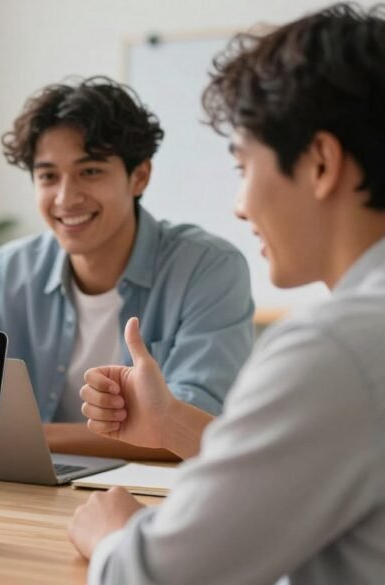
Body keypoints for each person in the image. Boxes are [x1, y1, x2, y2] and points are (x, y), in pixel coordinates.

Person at [69, 5, 385, 583]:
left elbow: (157, 577)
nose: (240, 205)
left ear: (319, 163)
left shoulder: (337, 346)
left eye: (243, 167)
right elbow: (304, 467)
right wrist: (173, 426)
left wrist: (112, 534)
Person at [0, 77, 254, 455]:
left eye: (90, 171)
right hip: (42, 495)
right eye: (48, 176)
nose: (66, 198)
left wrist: (26, 440)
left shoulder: (209, 268)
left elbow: (192, 425)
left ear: (139, 176)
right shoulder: (13, 268)